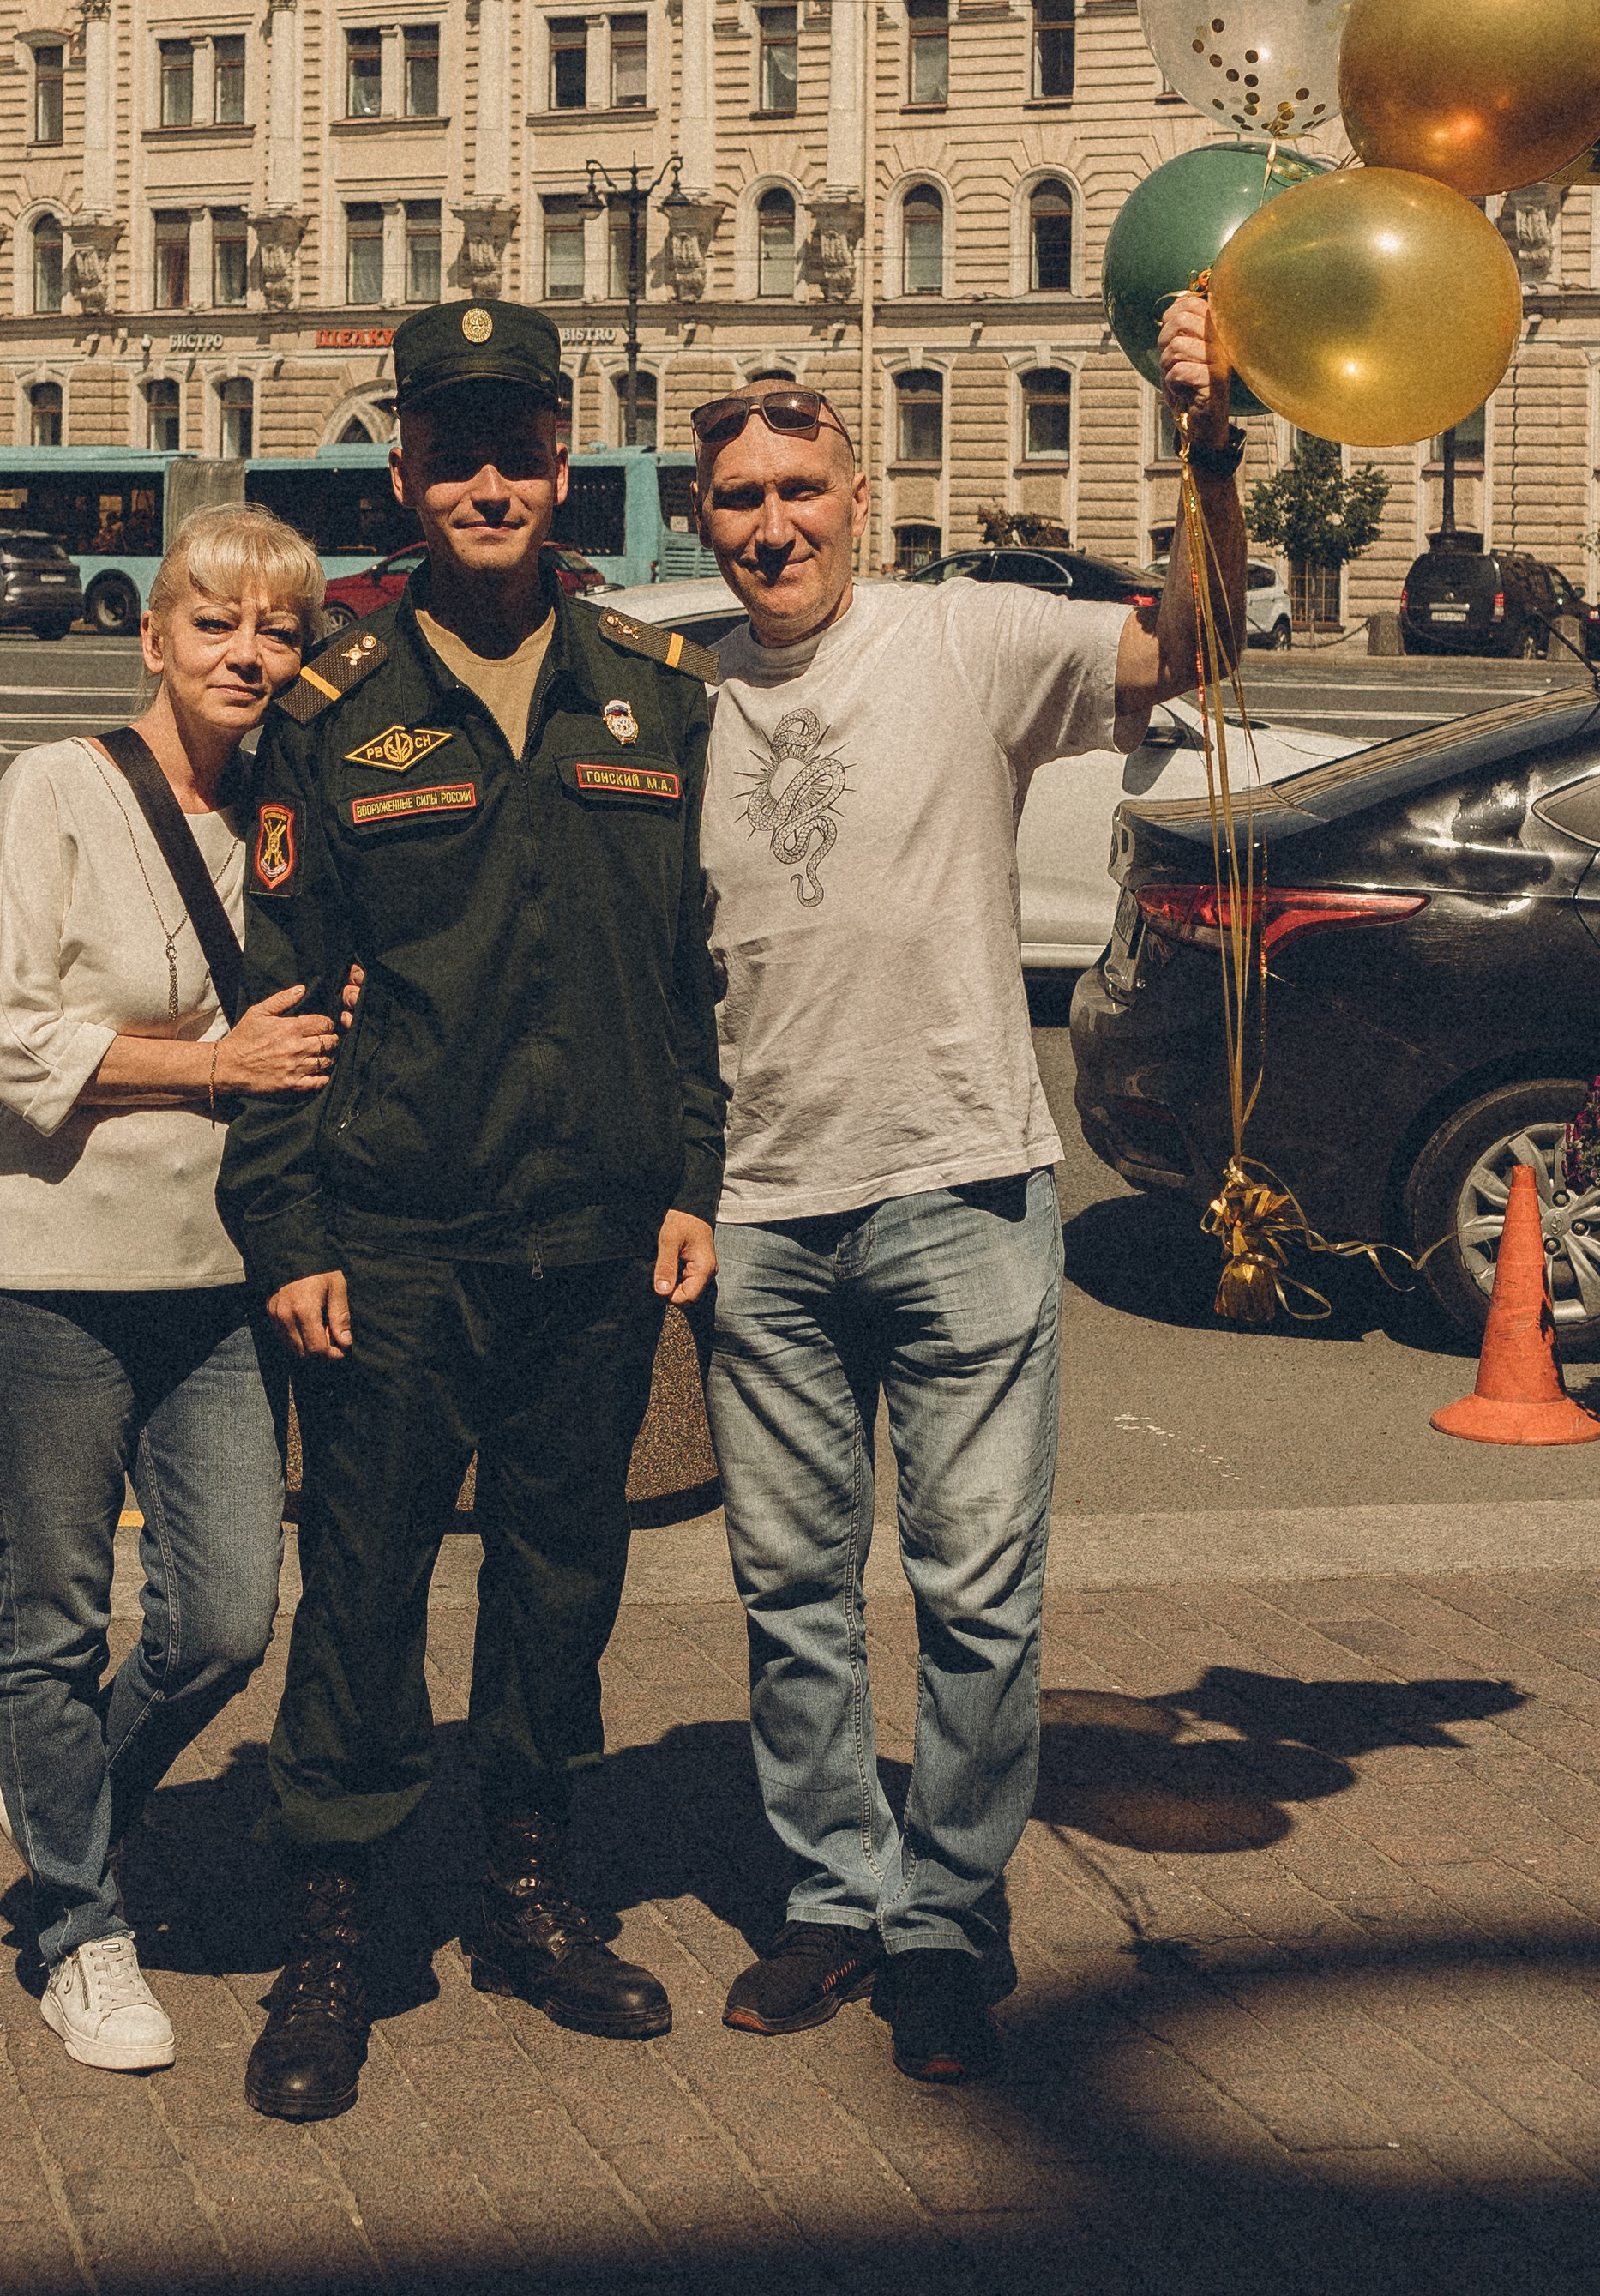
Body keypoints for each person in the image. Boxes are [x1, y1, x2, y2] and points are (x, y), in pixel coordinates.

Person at [697, 292, 1242, 2082]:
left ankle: (943, 1916)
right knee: (789, 1593)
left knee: (977, 1596)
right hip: (762, 1212)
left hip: (962, 1189)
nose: (772, 523)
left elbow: (1194, 646)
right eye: (738, 498)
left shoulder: (964, 636)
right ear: (705, 519)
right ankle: (831, 1896)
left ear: (859, 498)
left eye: (801, 489)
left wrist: (1207, 448)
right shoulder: (686, 701)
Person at [216, 298, 724, 2124]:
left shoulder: (655, 691)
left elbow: (688, 973)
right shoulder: (335, 708)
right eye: (454, 452)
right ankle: (334, 1935)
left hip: (595, 1232)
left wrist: (693, 1177)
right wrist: (289, 1235)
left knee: (560, 1578)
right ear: (404, 472)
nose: (488, 484)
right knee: (360, 1589)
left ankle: (526, 1893)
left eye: (517, 449)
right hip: (397, 1237)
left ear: (562, 464)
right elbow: (282, 997)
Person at [0, 505, 340, 2074]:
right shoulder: (57, 787)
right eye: (217, 622)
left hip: (218, 1276)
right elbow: (9, 1034)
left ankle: (62, 1791)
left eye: (281, 630)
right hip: (47, 1275)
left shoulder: (290, 814)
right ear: (156, 635)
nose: (250, 654)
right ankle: (77, 1932)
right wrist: (216, 1065)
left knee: (227, 1619)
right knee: (52, 1616)